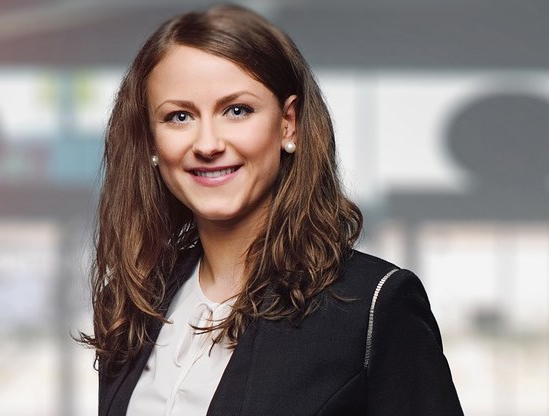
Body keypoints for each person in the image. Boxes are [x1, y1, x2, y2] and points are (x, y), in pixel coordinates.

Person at [80, 4, 463, 415]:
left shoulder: (373, 305)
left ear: (288, 124)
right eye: (179, 116)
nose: (207, 144)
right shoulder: (135, 302)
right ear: (151, 140)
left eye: (237, 110)